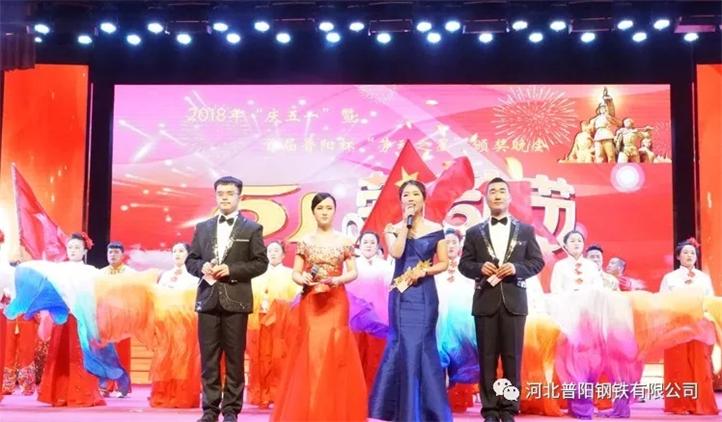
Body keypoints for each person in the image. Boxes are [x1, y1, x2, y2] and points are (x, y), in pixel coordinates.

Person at [271, 192, 367, 421]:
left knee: (336, 350)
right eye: (320, 208)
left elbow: (354, 272)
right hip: (311, 302)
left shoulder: (344, 241)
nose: (324, 212)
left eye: (329, 208)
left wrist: (338, 280)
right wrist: (302, 278)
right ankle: (311, 408)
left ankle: (334, 410)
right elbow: (296, 272)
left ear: (335, 211)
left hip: (336, 300)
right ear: (313, 212)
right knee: (312, 351)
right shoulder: (305, 241)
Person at [459, 177, 544, 422]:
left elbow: (537, 262)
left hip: (514, 302)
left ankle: (508, 409)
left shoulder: (525, 230)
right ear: (486, 198)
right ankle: (489, 409)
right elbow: (464, 264)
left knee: (512, 358)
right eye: (492, 191)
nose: (497, 195)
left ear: (509, 197)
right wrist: (479, 268)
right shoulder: (474, 232)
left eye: (501, 191)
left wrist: (517, 268)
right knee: (486, 358)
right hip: (485, 301)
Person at [186, 176, 269, 422]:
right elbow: (191, 260)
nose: (224, 197)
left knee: (234, 358)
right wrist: (202, 267)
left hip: (236, 300)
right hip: (207, 299)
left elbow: (260, 263)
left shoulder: (252, 228)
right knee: (209, 359)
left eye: (229, 193)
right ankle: (210, 410)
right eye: (220, 193)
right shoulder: (203, 227)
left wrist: (232, 270)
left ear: (239, 196)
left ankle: (231, 409)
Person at [369, 180, 452, 422]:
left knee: (423, 345)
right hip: (401, 296)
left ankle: (427, 410)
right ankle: (401, 410)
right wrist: (405, 226)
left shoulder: (436, 228)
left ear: (423, 199)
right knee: (402, 343)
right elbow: (396, 253)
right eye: (406, 195)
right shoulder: (392, 229)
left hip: (425, 295)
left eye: (416, 194)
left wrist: (425, 271)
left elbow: (444, 262)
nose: (411, 198)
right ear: (401, 200)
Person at [38, 232, 106, 407]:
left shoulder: (92, 272)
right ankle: (59, 393)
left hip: (82, 318)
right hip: (63, 318)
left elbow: (98, 295)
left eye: (77, 247)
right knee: (60, 355)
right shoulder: (58, 270)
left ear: (84, 251)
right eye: (70, 247)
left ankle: (82, 393)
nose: (73, 250)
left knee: (81, 356)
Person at [659, 238, 718, 415]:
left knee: (700, 364)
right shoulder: (670, 278)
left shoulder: (703, 278)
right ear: (678, 256)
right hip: (676, 327)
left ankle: (701, 404)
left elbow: (710, 300)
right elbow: (663, 301)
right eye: (685, 252)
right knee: (678, 365)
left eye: (692, 253)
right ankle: (679, 404)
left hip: (698, 326)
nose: (689, 255)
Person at [247, 240, 299, 408]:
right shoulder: (256, 275)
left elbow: (296, 301)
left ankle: (278, 394)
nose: (273, 253)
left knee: (279, 358)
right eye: (270, 251)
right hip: (259, 322)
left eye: (276, 250)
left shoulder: (290, 275)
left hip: (280, 324)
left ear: (283, 255)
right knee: (260, 358)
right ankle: (259, 393)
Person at [435, 228, 477, 414]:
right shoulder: (435, 269)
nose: (450, 246)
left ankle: (459, 397)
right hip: (439, 322)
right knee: (440, 357)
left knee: (462, 357)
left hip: (463, 323)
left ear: (460, 245)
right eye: (446, 243)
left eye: (454, 242)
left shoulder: (469, 269)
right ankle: (439, 399)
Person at [344, 231, 392, 392]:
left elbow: (392, 288)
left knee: (375, 359)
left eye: (372, 242)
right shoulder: (350, 265)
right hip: (354, 321)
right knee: (355, 358)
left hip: (379, 321)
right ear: (359, 245)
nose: (369, 245)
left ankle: (374, 395)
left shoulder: (385, 266)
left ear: (378, 246)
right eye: (365, 242)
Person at [98, 241, 134, 398]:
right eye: (110, 252)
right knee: (104, 352)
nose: (112, 255)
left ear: (122, 255)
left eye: (116, 252)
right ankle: (104, 386)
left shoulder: (130, 274)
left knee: (122, 353)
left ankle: (122, 387)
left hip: (123, 318)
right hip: (104, 318)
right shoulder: (100, 273)